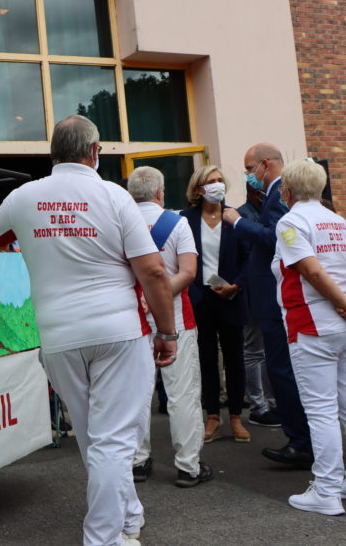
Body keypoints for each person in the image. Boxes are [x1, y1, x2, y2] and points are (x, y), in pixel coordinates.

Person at [0, 115, 176, 546]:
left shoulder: (24, 197)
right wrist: (168, 333)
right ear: (94, 152)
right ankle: (103, 538)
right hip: (118, 331)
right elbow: (152, 270)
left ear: (53, 153)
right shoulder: (113, 195)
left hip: (59, 336)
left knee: (96, 441)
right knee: (113, 442)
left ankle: (129, 516)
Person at [271, 159, 346, 514]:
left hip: (313, 326)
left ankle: (327, 489)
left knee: (321, 410)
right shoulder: (340, 222)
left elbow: (312, 272)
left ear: (286, 191)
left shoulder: (291, 221)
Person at [223, 143, 313, 468]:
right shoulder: (276, 195)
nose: (249, 176)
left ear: (264, 165)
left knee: (281, 368)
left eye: (249, 169)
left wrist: (237, 222)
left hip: (276, 300)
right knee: (281, 367)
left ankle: (300, 441)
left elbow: (276, 237)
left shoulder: (276, 196)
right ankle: (301, 437)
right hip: (269, 294)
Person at [127, 167, 211, 488]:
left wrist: (145, 296)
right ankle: (188, 466)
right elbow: (188, 272)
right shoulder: (178, 224)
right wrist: (159, 293)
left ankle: (137, 461)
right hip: (176, 320)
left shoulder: (120, 223)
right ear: (161, 193)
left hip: (133, 321)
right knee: (182, 394)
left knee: (135, 393)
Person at [181, 166, 251, 443]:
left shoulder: (236, 217)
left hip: (231, 295)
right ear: (198, 189)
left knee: (235, 358)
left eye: (220, 180)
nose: (217, 185)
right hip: (200, 298)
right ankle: (212, 415)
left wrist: (237, 284)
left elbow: (249, 257)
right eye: (211, 181)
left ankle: (235, 416)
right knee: (206, 359)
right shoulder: (185, 219)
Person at [237, 182, 280, 427]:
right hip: (251, 290)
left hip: (268, 289)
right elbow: (247, 252)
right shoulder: (242, 215)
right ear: (256, 193)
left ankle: (274, 403)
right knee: (253, 350)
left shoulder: (267, 212)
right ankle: (258, 405)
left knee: (268, 351)